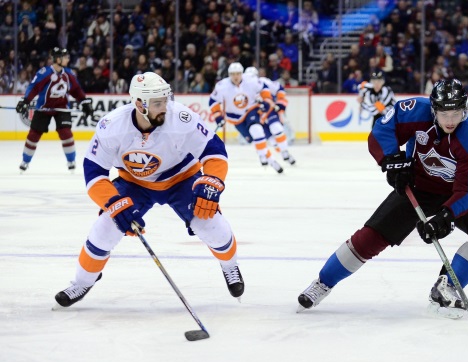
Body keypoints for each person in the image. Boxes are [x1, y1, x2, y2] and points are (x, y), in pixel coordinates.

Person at [297, 79, 468, 319]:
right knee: (371, 237)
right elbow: (382, 130)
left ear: (465, 110)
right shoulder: (414, 111)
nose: (450, 121)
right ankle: (324, 282)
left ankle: (446, 287)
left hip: (455, 192)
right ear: (433, 110)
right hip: (417, 187)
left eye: (456, 113)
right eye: (444, 113)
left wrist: (446, 216)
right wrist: (391, 161)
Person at [53, 72, 244, 308]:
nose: (165, 106)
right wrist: (113, 203)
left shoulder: (182, 118)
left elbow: (214, 152)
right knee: (104, 229)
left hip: (181, 178)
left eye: (165, 99)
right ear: (139, 104)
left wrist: (213, 180)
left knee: (210, 224)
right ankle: (82, 282)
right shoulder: (112, 126)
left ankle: (230, 266)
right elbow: (93, 173)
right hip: (134, 184)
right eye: (157, 103)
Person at [15, 47, 93, 172]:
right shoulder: (44, 72)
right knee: (33, 135)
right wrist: (25, 101)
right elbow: (33, 87)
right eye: (65, 57)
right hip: (43, 108)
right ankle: (25, 161)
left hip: (62, 108)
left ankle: (71, 161)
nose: (68, 59)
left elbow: (76, 90)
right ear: (58, 59)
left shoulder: (69, 74)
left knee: (66, 133)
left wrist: (84, 102)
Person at [209, 62, 283, 173]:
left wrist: (266, 101)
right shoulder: (222, 86)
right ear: (229, 74)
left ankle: (272, 161)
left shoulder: (250, 80)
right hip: (235, 118)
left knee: (256, 130)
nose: (235, 76)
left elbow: (264, 88)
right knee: (254, 140)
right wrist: (218, 117)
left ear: (242, 73)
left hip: (250, 110)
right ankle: (268, 157)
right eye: (233, 74)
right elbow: (213, 101)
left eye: (238, 73)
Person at [244, 66, 296, 165]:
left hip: (269, 111)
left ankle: (285, 152)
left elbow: (279, 88)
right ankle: (282, 153)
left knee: (276, 128)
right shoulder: (242, 89)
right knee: (271, 140)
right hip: (257, 116)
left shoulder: (263, 81)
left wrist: (280, 102)